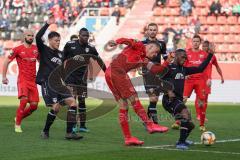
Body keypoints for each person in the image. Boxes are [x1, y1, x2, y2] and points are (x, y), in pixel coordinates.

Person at [105, 38, 170, 146]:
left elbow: (155, 70)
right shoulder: (139, 45)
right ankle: (150, 125)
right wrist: (117, 42)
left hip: (112, 73)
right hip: (117, 71)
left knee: (124, 106)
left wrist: (167, 61)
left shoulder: (144, 59)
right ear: (150, 47)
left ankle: (128, 138)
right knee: (134, 98)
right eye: (155, 52)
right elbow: (128, 40)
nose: (155, 55)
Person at [36, 15, 82, 140]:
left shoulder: (61, 54)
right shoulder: (44, 50)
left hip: (59, 84)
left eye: (59, 41)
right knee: (55, 107)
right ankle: (45, 131)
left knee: (73, 103)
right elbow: (37, 37)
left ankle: (69, 133)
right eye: (56, 40)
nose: (58, 42)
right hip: (47, 82)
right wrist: (47, 24)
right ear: (50, 40)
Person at [161, 47, 214, 150]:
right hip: (169, 100)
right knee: (185, 113)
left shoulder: (183, 69)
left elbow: (200, 69)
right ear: (176, 56)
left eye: (186, 58)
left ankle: (183, 140)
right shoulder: (169, 68)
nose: (185, 59)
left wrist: (210, 55)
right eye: (183, 57)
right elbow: (158, 81)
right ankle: (180, 143)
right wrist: (168, 91)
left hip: (178, 100)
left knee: (190, 125)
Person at [63, 27, 106, 133]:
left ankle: (82, 126)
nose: (86, 37)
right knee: (72, 102)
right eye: (84, 35)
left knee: (82, 101)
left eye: (87, 36)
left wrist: (107, 71)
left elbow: (99, 60)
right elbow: (62, 59)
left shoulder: (91, 48)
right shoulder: (70, 45)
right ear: (79, 36)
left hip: (82, 79)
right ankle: (71, 127)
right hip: (70, 78)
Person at [2, 29, 39, 133]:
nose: (31, 37)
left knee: (34, 106)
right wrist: (4, 77)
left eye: (32, 35)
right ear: (24, 37)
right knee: (23, 101)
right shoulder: (17, 49)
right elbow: (6, 61)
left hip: (33, 80)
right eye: (28, 35)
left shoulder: (36, 49)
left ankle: (18, 117)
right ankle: (17, 125)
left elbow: (41, 61)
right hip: (23, 80)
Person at [182, 35, 209, 132]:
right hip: (189, 80)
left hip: (200, 80)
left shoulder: (204, 54)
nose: (195, 43)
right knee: (182, 100)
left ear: (200, 43)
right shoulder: (186, 53)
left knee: (201, 103)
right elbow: (182, 66)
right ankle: (177, 121)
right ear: (191, 42)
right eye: (194, 41)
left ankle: (201, 124)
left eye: (197, 41)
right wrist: (185, 75)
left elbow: (206, 68)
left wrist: (207, 79)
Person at [142, 23, 167, 124]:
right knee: (153, 96)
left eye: (154, 30)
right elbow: (138, 57)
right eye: (150, 30)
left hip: (158, 72)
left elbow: (165, 58)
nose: (152, 31)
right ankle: (155, 122)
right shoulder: (142, 44)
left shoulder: (162, 44)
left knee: (155, 98)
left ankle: (147, 119)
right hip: (147, 71)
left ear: (157, 31)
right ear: (147, 31)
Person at [195, 40, 224, 128]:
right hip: (199, 79)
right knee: (198, 97)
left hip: (207, 81)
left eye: (205, 46)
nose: (203, 48)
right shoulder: (198, 55)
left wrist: (221, 76)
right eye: (202, 46)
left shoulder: (212, 57)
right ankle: (198, 115)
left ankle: (202, 115)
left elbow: (217, 67)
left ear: (208, 47)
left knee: (205, 99)